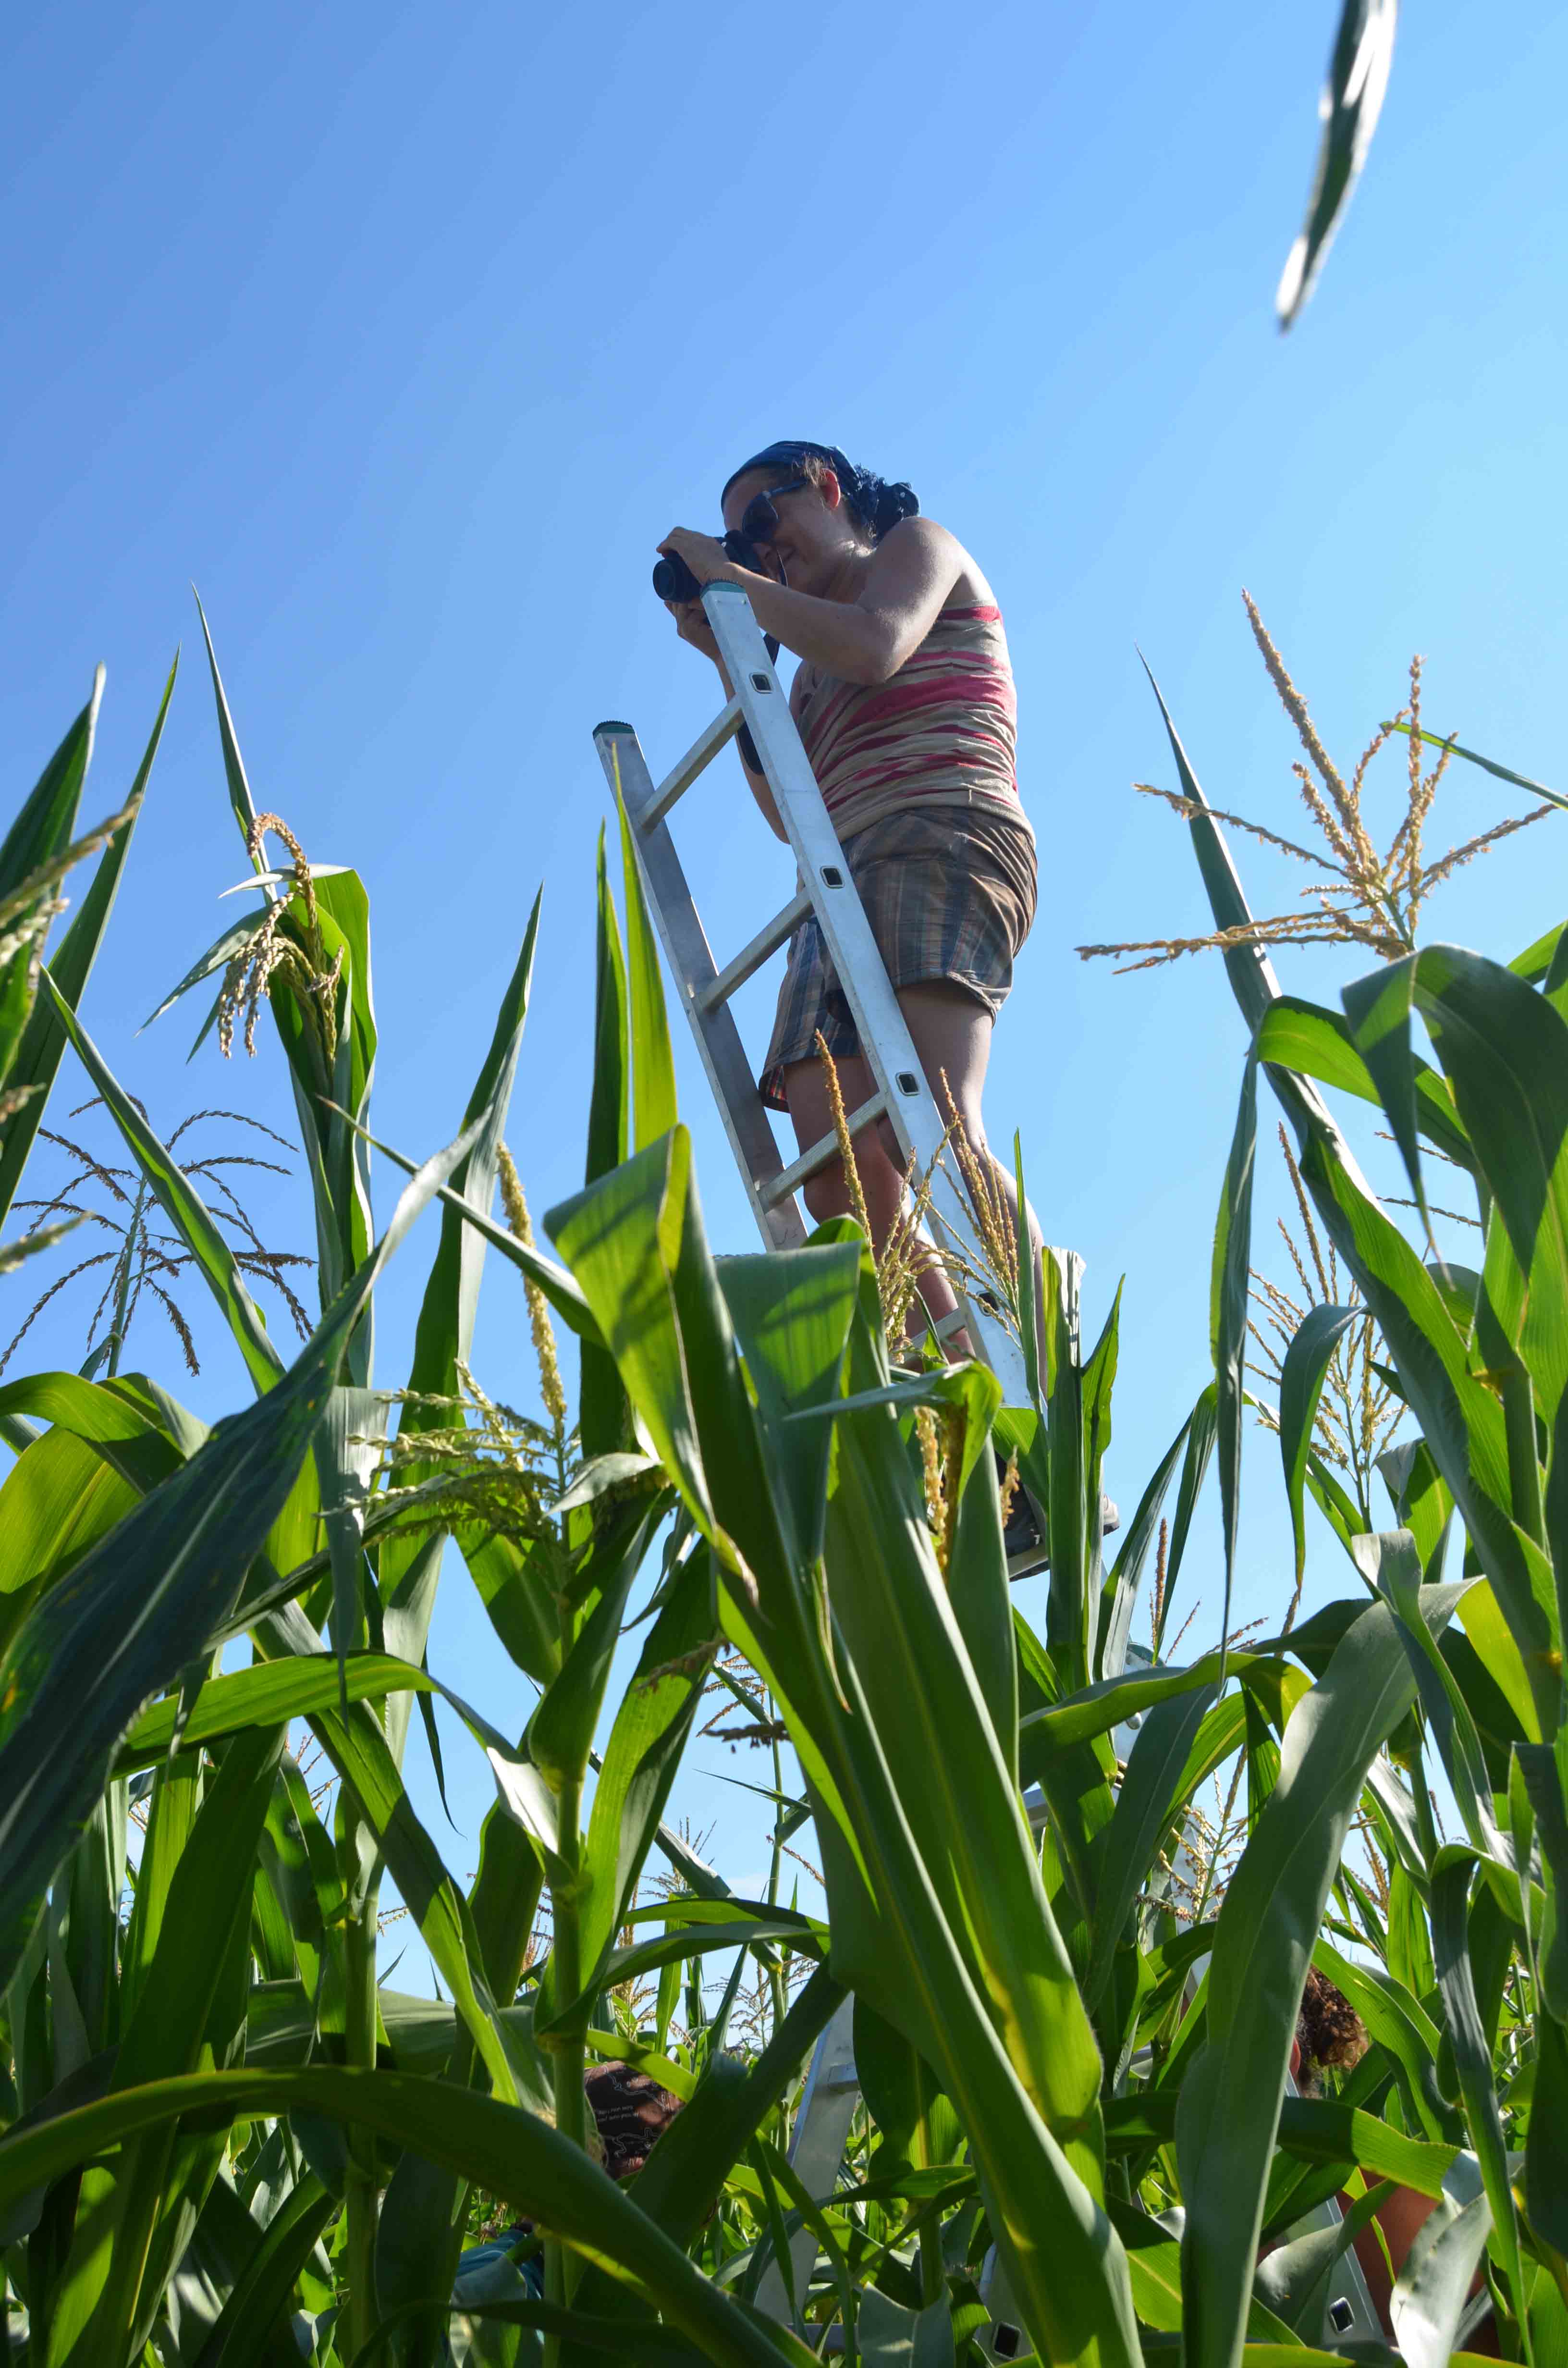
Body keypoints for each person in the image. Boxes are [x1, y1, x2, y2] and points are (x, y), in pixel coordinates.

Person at [657, 440, 1040, 1359]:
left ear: (827, 486)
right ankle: (961, 1404)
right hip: (836, 879)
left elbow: (879, 647)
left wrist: (732, 586)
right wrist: (727, 653)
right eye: (737, 540)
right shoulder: (804, 668)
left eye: (763, 519)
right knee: (836, 1171)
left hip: (935, 830)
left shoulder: (916, 547)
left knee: (938, 1122)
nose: (757, 546)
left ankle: (1050, 1388)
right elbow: (788, 812)